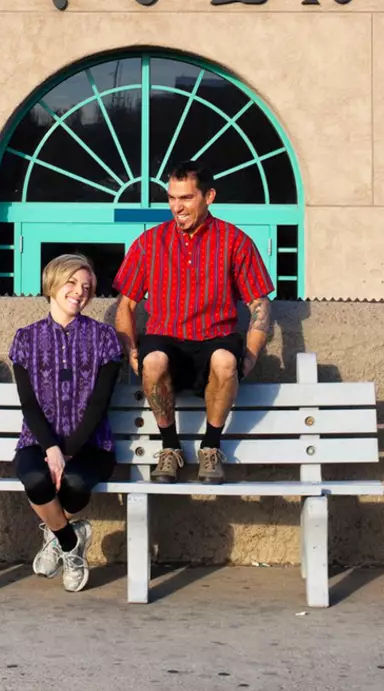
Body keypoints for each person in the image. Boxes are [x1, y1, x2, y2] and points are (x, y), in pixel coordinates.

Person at [113, 162, 274, 484]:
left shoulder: (235, 241)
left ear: (209, 196)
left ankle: (211, 448)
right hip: (165, 336)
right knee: (153, 361)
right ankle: (170, 449)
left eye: (186, 198)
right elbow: (126, 305)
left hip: (216, 336)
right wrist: (131, 349)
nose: (177, 206)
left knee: (227, 362)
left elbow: (259, 304)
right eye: (172, 198)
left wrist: (253, 353)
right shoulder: (149, 243)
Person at [10, 253, 124, 593]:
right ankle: (71, 541)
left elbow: (99, 403)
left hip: (92, 445)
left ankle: (54, 533)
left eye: (86, 286)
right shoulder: (25, 339)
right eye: (72, 282)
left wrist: (68, 452)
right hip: (38, 440)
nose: (80, 291)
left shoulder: (105, 339)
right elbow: (29, 404)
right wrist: (51, 448)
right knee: (34, 476)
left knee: (72, 483)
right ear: (53, 283)